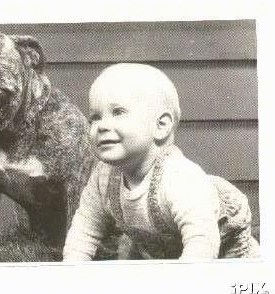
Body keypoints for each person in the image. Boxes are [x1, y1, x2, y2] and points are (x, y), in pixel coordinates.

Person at [63, 63, 259, 260]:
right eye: (95, 118)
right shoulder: (102, 177)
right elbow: (83, 229)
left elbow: (202, 242)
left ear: (161, 126)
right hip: (162, 249)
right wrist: (72, 271)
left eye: (118, 112)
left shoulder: (179, 178)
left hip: (223, 245)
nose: (102, 125)